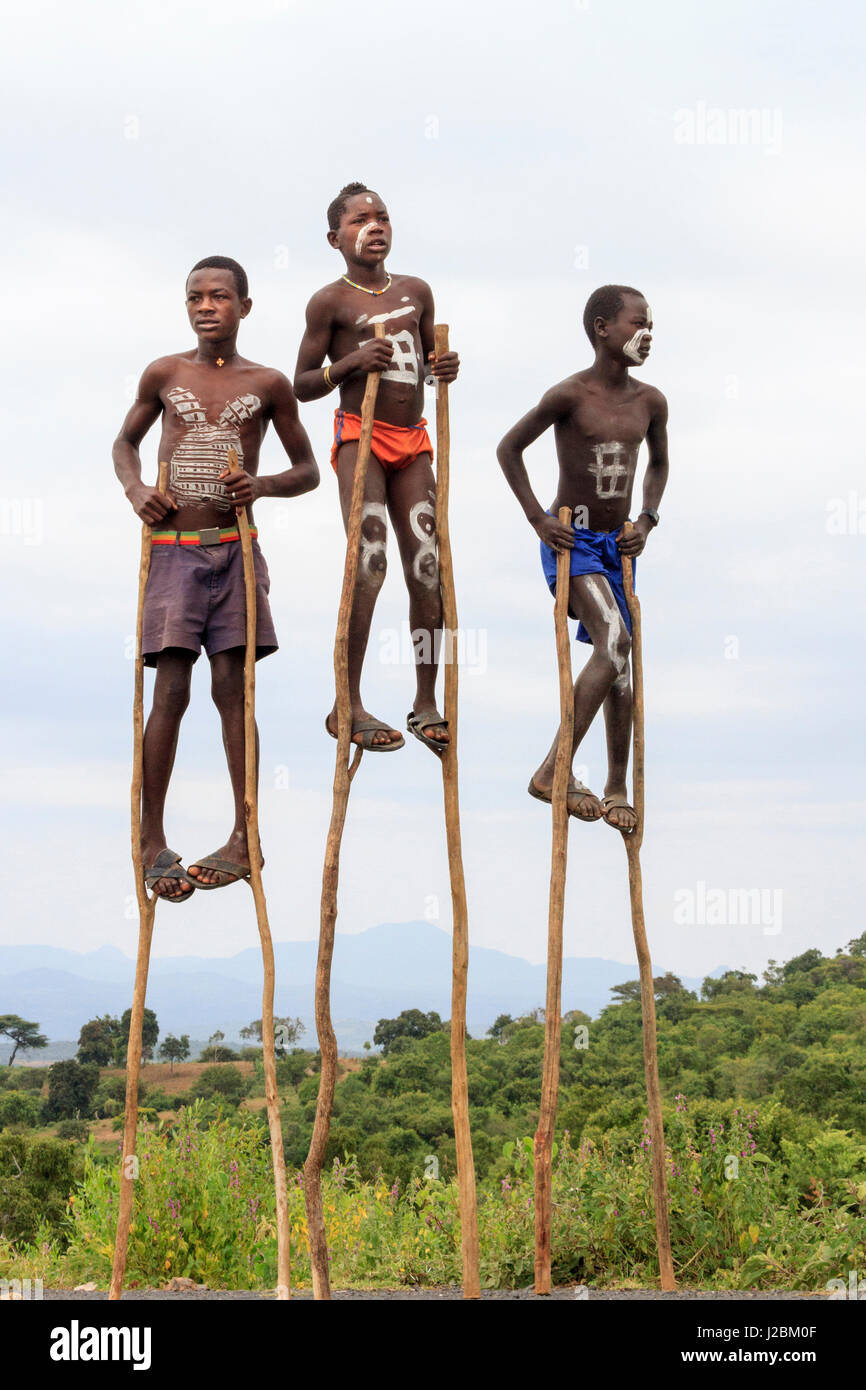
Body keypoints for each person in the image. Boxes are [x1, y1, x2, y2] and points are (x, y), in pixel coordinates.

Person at [113, 256, 319, 898]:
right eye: (196, 298)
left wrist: (261, 485)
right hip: (172, 549)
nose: (206, 307)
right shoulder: (164, 373)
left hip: (234, 547)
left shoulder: (270, 383)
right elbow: (125, 443)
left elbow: (308, 470)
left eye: (220, 297)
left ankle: (244, 836)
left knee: (234, 691)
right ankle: (153, 842)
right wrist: (136, 487)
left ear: (244, 307)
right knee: (170, 689)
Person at [496, 285, 669, 832]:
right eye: (636, 323)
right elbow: (509, 448)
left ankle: (617, 787)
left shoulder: (651, 401)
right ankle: (554, 769)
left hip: (618, 548)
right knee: (614, 641)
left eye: (651, 324)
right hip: (573, 543)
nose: (646, 332)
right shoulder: (569, 395)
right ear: (602, 329)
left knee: (621, 666)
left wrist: (646, 519)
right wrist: (537, 519)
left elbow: (659, 464)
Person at [294, 182, 459, 754]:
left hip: (412, 441)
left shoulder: (416, 291)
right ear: (335, 237)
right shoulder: (329, 303)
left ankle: (425, 700)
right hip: (359, 438)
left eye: (383, 216)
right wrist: (351, 362)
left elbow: (427, 368)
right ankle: (349, 702)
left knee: (429, 565)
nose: (375, 225)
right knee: (369, 561)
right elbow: (302, 385)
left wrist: (444, 368)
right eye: (361, 218)